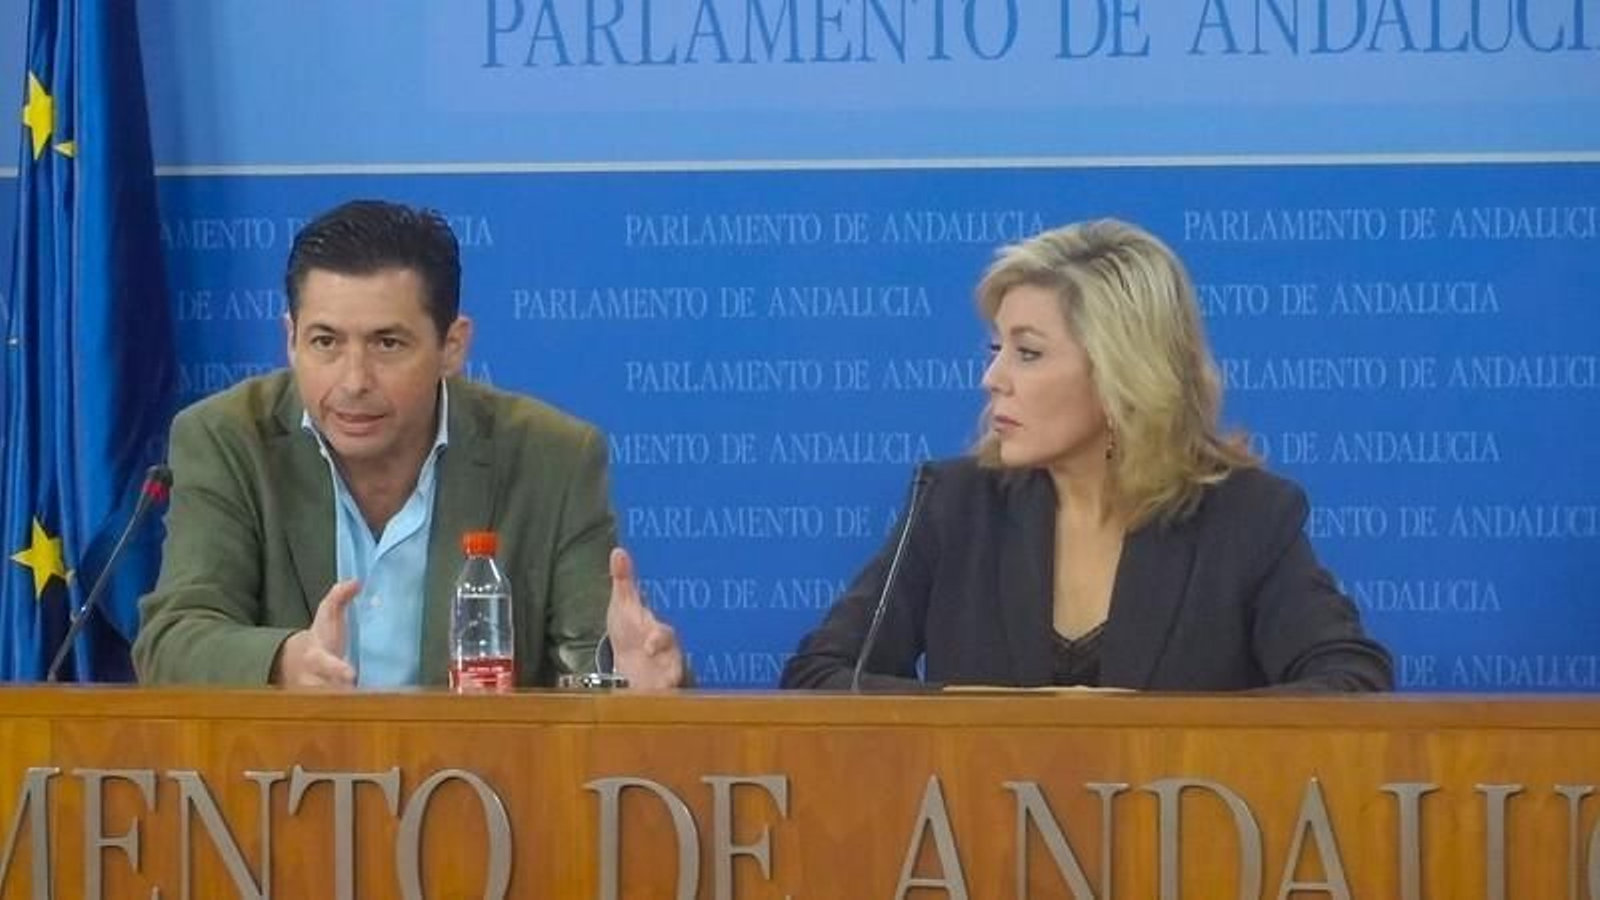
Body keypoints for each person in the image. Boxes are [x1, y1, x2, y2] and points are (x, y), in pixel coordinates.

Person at [781, 219, 1392, 693]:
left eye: (1027, 353)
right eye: (996, 350)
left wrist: (1168, 732)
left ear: (1121, 373)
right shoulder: (953, 506)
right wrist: (976, 720)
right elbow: (822, 676)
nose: (992, 379)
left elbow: (1351, 683)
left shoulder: (1247, 518)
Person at [133, 200, 685, 689]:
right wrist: (284, 661)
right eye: (325, 342)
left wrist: (625, 682)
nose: (354, 380)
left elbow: (592, 662)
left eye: (388, 343)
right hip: (287, 772)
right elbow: (175, 638)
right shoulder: (229, 439)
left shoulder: (552, 458)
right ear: (291, 339)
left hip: (479, 773)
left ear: (452, 346)